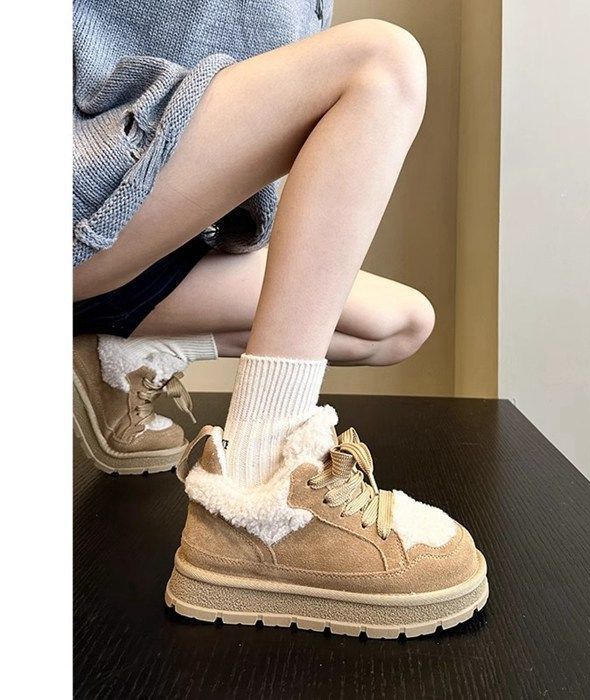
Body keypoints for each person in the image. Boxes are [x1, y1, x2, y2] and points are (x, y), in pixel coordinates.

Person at [73, 0, 488, 638]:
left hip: (152, 238)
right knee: (381, 64)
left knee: (402, 324)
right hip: (84, 192)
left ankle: (111, 349)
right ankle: (257, 492)